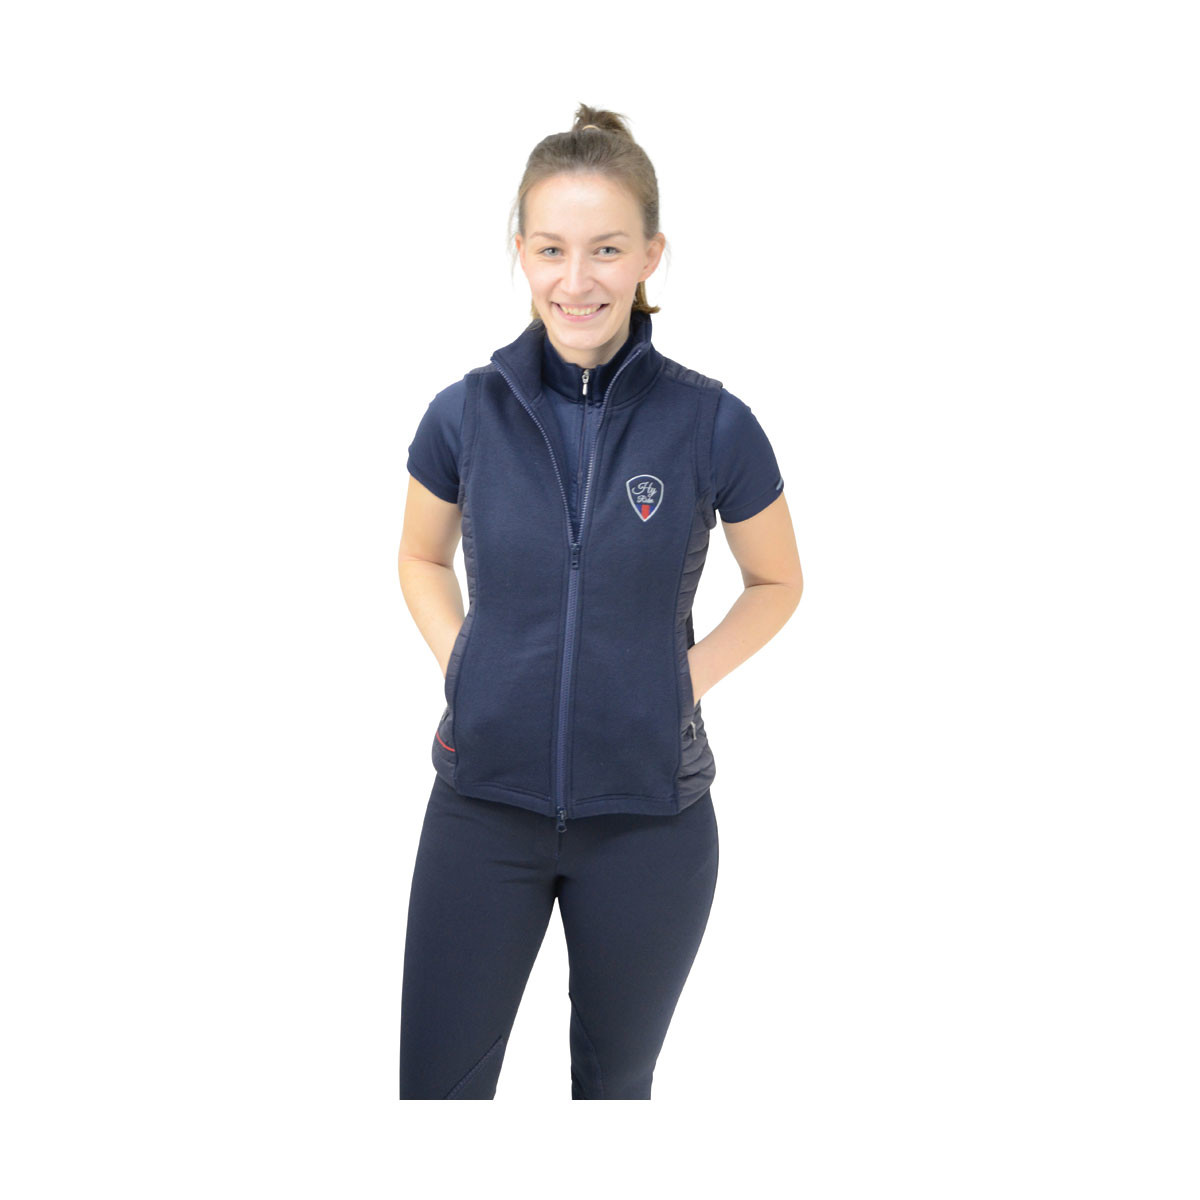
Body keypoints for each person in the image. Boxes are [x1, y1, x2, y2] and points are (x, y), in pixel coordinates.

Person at [397, 104, 804, 1100]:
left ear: (650, 256)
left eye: (607, 249)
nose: (576, 280)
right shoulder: (464, 414)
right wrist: (466, 664)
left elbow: (779, 582)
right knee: (438, 1095)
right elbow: (418, 557)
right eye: (551, 249)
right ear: (522, 254)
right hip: (481, 812)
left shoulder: (712, 424)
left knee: (614, 1097)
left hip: (650, 825)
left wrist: (680, 680)